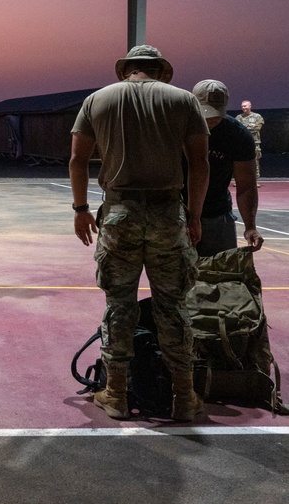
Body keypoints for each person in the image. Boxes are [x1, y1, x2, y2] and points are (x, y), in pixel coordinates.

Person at [69, 45, 209, 422]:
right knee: (173, 306)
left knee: (119, 305)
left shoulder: (97, 100)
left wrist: (81, 210)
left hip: (118, 215)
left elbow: (78, 160)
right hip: (167, 215)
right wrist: (194, 215)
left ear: (126, 70)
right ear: (161, 71)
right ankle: (184, 396)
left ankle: (115, 393)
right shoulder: (183, 100)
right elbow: (200, 162)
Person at [190, 80, 263, 256]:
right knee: (174, 280)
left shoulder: (237, 135)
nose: (212, 118)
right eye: (206, 112)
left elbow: (246, 185)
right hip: (177, 215)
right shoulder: (177, 128)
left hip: (217, 214)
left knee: (221, 277)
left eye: (217, 112)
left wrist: (250, 226)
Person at [236, 99, 264, 179]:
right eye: (242, 106)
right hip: (242, 143)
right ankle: (242, 179)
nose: (243, 107)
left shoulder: (257, 117)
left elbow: (256, 129)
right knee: (241, 161)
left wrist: (244, 128)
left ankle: (255, 179)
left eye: (245, 106)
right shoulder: (239, 117)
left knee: (255, 161)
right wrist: (249, 127)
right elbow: (237, 130)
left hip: (254, 142)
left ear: (250, 106)